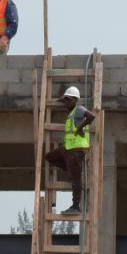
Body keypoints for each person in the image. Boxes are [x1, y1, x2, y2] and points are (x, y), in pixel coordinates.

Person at [43, 86, 96, 215]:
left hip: (76, 150)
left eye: (68, 100)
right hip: (68, 149)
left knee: (76, 179)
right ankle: (72, 171)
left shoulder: (79, 109)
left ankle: (76, 206)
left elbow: (91, 116)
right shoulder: (71, 114)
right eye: (64, 101)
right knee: (50, 156)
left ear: (75, 100)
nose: (65, 103)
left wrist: (80, 128)